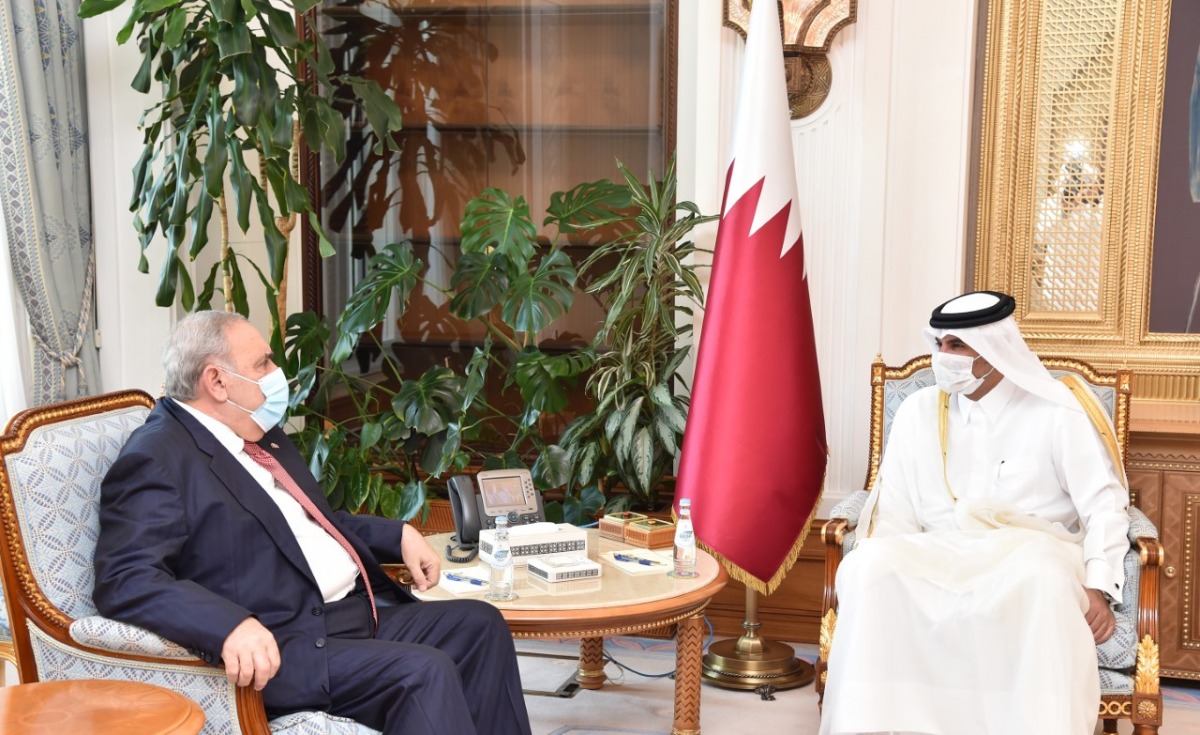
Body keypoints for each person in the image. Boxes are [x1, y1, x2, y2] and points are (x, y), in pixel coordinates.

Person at [94, 311, 532, 735]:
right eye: (263, 363)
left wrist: (398, 534)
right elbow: (126, 577)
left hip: (350, 614)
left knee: (480, 625)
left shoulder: (257, 433)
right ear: (217, 381)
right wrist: (228, 625)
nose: (277, 373)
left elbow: (317, 519)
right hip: (286, 644)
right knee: (423, 671)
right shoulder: (157, 457)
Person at [819, 290, 1130, 735]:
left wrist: (1098, 586)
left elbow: (1104, 504)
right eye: (939, 344)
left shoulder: (1056, 411)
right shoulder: (918, 411)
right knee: (867, 567)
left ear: (994, 348)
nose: (942, 356)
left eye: (957, 345)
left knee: (1043, 579)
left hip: (1029, 551)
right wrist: (893, 561)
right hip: (939, 549)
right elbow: (896, 508)